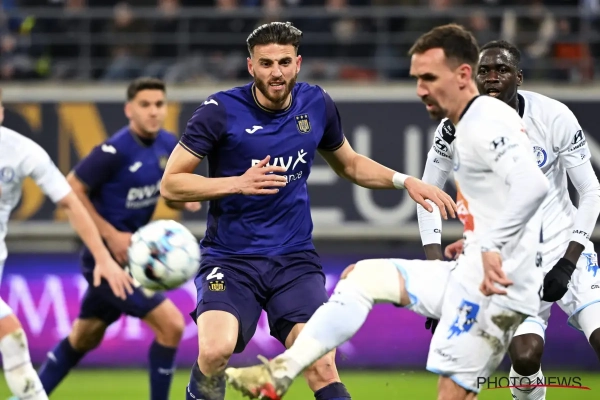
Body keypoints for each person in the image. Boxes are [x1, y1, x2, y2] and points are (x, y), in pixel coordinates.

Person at [222, 23, 551, 400]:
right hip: (475, 270)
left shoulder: (486, 121)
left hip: (498, 287)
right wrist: (480, 240)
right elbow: (504, 195)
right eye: (417, 78)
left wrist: (492, 246)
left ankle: (280, 371)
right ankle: (280, 372)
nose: (420, 89)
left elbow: (533, 186)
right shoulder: (465, 124)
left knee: (455, 391)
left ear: (463, 75)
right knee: (362, 277)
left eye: (429, 78)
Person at [160, 21, 456, 400]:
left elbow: (350, 164)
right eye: (266, 63)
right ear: (251, 66)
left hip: (294, 261)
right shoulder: (219, 111)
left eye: (284, 62)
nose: (276, 72)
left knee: (320, 363)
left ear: (298, 64)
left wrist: (404, 181)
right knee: (216, 351)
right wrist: (237, 183)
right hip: (230, 259)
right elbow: (171, 184)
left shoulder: (316, 103)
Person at [418, 40, 600, 400]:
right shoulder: (452, 130)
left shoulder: (554, 117)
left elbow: (590, 190)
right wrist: (436, 275)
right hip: (512, 261)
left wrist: (568, 261)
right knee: (526, 356)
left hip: (566, 249)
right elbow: (427, 196)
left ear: (518, 77)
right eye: (483, 71)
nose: (492, 77)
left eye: (501, 70)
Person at [36, 78, 201, 400]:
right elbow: (71, 189)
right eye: (145, 105)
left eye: (159, 104)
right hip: (105, 261)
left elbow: (169, 195)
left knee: (83, 337)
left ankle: (28, 396)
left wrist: (184, 201)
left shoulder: (167, 144)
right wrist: (110, 235)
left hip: (133, 256)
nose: (153, 111)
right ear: (129, 110)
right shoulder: (113, 151)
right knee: (171, 325)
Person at [0, 89, 133, 399]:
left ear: (2, 112)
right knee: (12, 340)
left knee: (13, 342)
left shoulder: (22, 152)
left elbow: (71, 202)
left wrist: (102, 257)